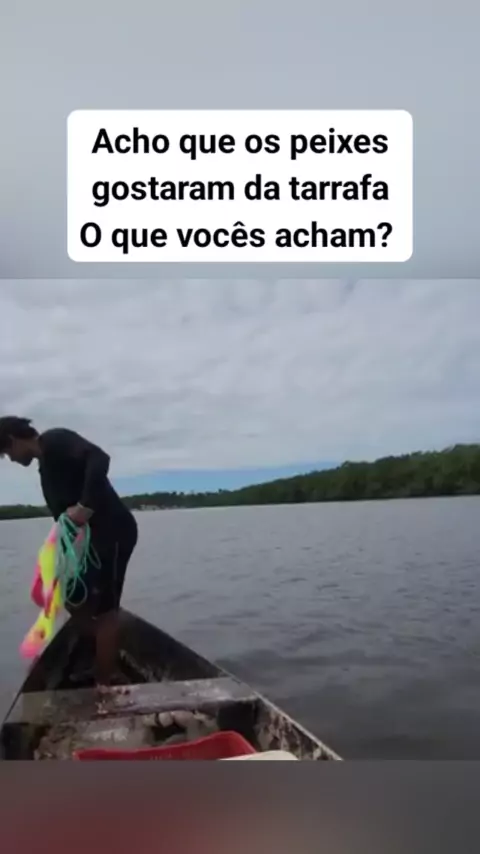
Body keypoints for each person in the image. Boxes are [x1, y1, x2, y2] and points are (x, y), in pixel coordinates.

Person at [0, 416, 138, 689]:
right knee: (74, 601)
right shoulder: (45, 470)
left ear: (13, 440)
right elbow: (64, 519)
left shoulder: (55, 440)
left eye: (6, 453)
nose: (11, 459)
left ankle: (104, 684)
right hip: (91, 542)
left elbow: (99, 457)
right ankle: (101, 650)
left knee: (106, 610)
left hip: (114, 532)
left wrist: (86, 506)